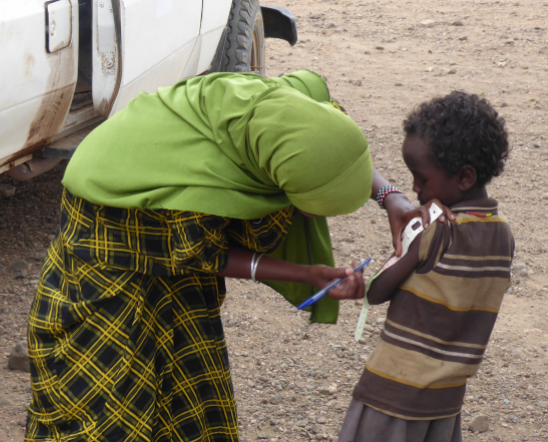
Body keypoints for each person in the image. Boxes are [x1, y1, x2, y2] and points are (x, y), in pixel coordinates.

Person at [25, 71, 444, 442]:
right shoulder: (195, 185)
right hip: (111, 269)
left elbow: (329, 137)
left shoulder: (277, 109)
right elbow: (204, 253)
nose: (298, 216)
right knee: (104, 409)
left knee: (189, 395)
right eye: (299, 205)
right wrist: (306, 273)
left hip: (177, 267)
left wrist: (391, 198)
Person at [338, 92, 513, 442]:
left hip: (392, 393)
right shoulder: (502, 235)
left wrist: (413, 236)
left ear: (464, 178)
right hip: (445, 399)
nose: (415, 189)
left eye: (421, 179)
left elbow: (377, 291)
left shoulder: (434, 228)